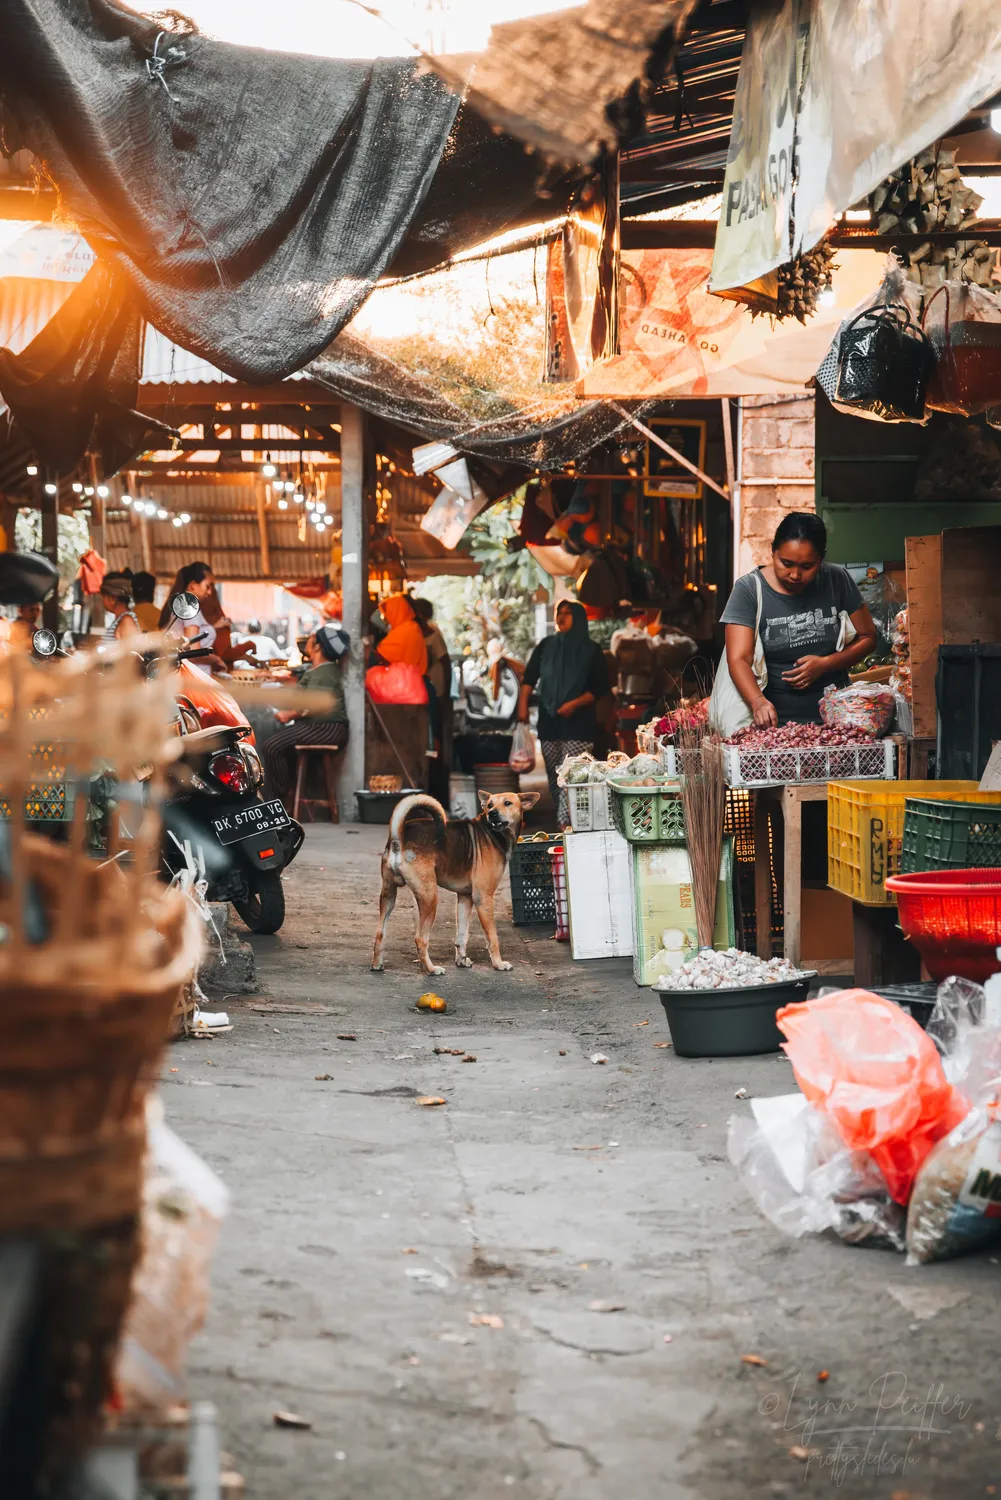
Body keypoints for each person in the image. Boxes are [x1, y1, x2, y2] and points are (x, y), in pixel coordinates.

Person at [720, 513, 877, 727]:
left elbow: (868, 637)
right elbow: (739, 659)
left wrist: (826, 664)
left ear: (821, 558)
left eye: (807, 566)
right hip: (773, 727)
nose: (795, 574)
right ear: (772, 550)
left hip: (839, 721)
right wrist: (758, 703)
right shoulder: (748, 590)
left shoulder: (836, 579)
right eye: (786, 563)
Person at [518, 600, 609, 828]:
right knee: (554, 775)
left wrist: (574, 704)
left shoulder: (591, 650)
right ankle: (572, 820)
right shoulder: (546, 646)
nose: (562, 616)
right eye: (560, 612)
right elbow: (529, 679)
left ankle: (564, 825)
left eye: (568, 613)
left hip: (579, 724)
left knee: (571, 775)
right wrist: (522, 706)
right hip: (550, 722)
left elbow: (599, 689)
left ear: (578, 619)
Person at [262, 624, 349, 809]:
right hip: (319, 726)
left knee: (272, 746)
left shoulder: (325, 672)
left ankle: (278, 801)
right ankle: (286, 796)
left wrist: (289, 714)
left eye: (311, 637)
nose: (307, 640)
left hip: (327, 728)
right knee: (279, 744)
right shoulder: (319, 670)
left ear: (317, 647)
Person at [372, 593, 428, 674]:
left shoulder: (405, 631)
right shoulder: (411, 627)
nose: (386, 620)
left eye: (387, 614)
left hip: (408, 682)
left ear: (395, 612)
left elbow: (382, 656)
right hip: (414, 679)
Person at [99, 573, 141, 645]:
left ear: (112, 599)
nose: (102, 601)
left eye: (103, 597)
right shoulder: (120, 620)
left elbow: (132, 653)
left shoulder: (127, 621)